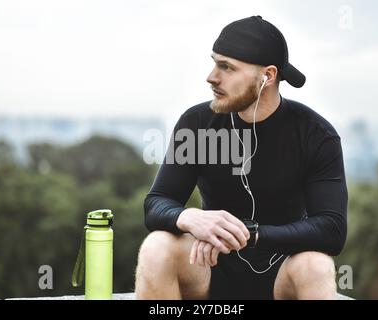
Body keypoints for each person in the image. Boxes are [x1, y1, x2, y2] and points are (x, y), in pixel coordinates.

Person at [135, 15, 348, 300]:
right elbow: (156, 204)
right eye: (214, 62)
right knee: (156, 246)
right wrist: (190, 217)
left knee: (317, 265)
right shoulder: (197, 124)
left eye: (227, 67)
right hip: (207, 266)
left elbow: (332, 229)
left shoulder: (315, 135)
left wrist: (252, 235)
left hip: (281, 272)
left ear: (267, 77)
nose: (212, 77)